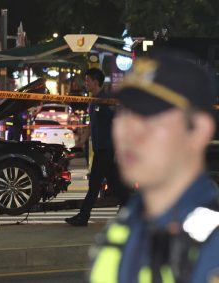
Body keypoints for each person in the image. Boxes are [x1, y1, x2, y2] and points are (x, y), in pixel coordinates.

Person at [89, 50, 219, 283]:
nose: (129, 131)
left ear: (199, 130)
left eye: (151, 116)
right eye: (125, 112)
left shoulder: (212, 242)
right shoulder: (119, 234)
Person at [65, 68, 130, 226]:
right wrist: (81, 141)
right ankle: (131, 209)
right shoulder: (93, 101)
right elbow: (91, 125)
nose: (85, 83)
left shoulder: (106, 100)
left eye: (87, 80)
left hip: (106, 149)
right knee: (116, 184)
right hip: (100, 148)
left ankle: (83, 217)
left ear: (95, 81)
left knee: (94, 184)